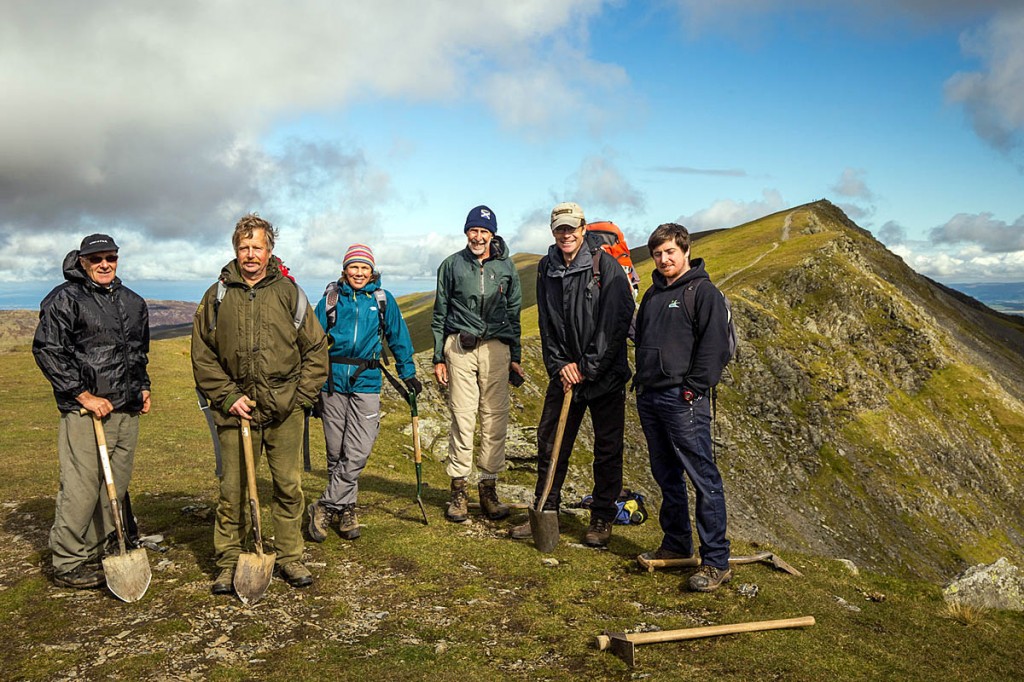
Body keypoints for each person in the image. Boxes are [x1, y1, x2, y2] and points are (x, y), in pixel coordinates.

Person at [192, 213, 328, 595]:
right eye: (244, 246)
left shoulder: (290, 294)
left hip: (285, 409)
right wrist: (229, 397)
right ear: (235, 249)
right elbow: (202, 355)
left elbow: (316, 350)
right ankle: (228, 561)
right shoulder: (216, 296)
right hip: (234, 410)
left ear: (270, 250)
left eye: (258, 246)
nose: (251, 254)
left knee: (288, 485)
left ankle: (289, 557)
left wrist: (300, 399)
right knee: (231, 489)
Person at [510, 202, 634, 547]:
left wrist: (586, 366)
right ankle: (545, 508)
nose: (566, 234)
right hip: (565, 374)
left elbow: (616, 323)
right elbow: (547, 324)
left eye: (572, 228)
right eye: (560, 229)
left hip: (604, 375)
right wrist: (560, 365)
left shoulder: (605, 266)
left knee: (607, 449)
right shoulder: (545, 268)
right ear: (553, 231)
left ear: (583, 229)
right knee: (551, 443)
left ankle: (602, 516)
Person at [33, 234, 151, 589]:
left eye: (110, 257)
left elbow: (138, 352)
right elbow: (48, 350)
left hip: (125, 409)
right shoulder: (65, 299)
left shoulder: (133, 302)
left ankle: (100, 549)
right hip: (86, 413)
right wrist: (82, 395)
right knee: (81, 487)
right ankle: (68, 561)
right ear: (82, 261)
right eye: (96, 258)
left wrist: (143, 386)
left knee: (115, 486)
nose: (104, 264)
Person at [633, 223, 734, 591]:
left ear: (685, 251)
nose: (663, 259)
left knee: (702, 477)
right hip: (651, 396)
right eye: (657, 254)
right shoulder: (653, 294)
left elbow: (715, 347)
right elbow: (642, 338)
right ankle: (676, 544)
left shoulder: (703, 292)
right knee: (667, 476)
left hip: (683, 400)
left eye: (669, 252)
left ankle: (716, 561)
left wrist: (692, 389)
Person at [307, 244, 423, 542]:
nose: (359, 272)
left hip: (367, 381)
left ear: (372, 271)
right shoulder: (330, 301)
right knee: (336, 453)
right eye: (353, 267)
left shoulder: (382, 300)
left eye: (364, 267)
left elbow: (398, 336)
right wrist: (308, 386)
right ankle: (347, 510)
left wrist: (407, 373)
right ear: (344, 270)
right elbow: (311, 343)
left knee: (358, 451)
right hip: (331, 383)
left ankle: (323, 505)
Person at [431, 205, 523, 522]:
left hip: (497, 348)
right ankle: (458, 491)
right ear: (466, 231)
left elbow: (514, 314)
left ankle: (488, 489)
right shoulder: (451, 265)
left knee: (495, 419)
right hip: (460, 347)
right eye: (474, 230)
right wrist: (437, 357)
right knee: (462, 416)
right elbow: (440, 312)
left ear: (492, 234)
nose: (478, 236)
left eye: (484, 231)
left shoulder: (507, 267)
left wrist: (517, 357)